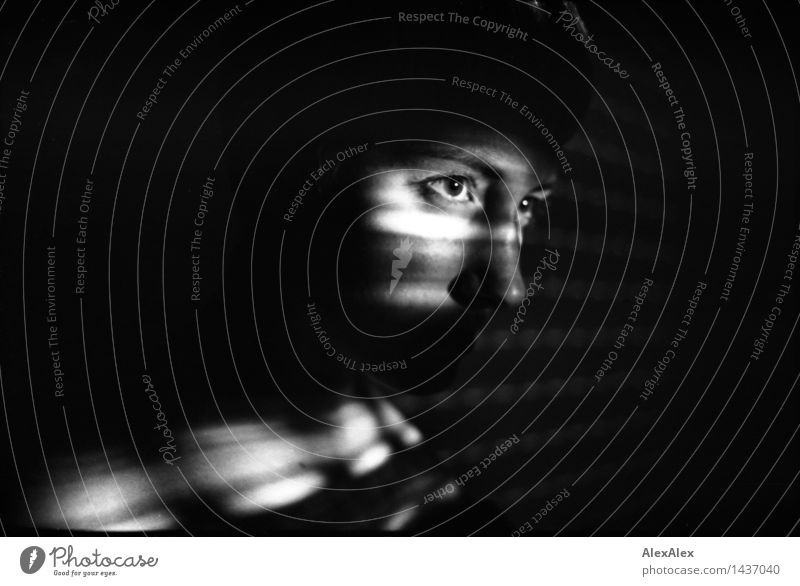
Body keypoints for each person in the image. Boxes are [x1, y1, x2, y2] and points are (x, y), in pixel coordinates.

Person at [24, 0, 592, 534]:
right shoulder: (80, 517)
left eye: (526, 205)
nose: (508, 286)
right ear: (274, 175)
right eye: (452, 186)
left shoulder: (432, 498)